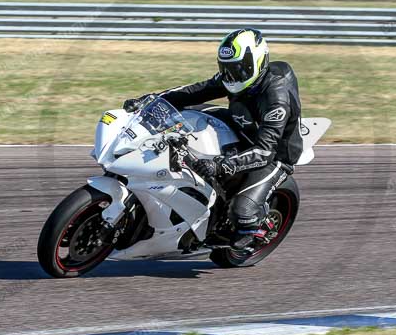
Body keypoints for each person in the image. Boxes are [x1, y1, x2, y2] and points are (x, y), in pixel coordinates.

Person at [123, 28, 303, 249]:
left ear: (257, 62)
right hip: (239, 126)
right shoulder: (235, 78)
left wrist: (220, 165)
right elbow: (193, 92)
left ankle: (254, 227)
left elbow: (265, 151)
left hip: (274, 155)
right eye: (226, 69)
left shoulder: (277, 99)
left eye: (238, 69)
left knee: (242, 212)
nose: (231, 76)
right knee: (182, 120)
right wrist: (150, 100)